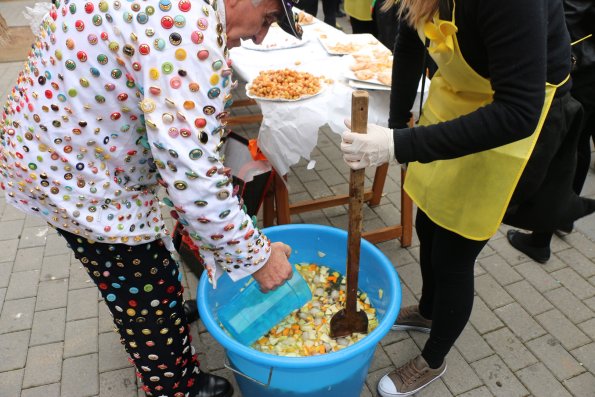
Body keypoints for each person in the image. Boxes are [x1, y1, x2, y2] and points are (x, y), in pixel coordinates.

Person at [0, 0, 302, 396]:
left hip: (55, 148)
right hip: (72, 176)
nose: (260, 36)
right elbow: (194, 180)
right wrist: (258, 258)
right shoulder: (185, 27)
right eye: (267, 19)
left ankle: (168, 319)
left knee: (153, 273)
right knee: (140, 281)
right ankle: (175, 385)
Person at [340, 0, 595, 396]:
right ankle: (428, 311)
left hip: (510, 117)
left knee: (455, 251)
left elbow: (517, 112)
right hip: (457, 94)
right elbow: (409, 43)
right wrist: (395, 125)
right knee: (427, 219)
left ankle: (433, 358)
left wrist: (399, 145)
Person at [507, 0, 595, 264]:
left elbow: (570, 15)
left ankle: (541, 238)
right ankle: (563, 217)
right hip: (586, 63)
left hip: (581, 66)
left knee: (564, 149)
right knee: (578, 143)